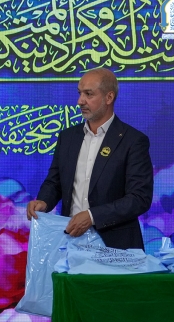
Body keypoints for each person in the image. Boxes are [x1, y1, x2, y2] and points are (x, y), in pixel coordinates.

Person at [26, 68, 153, 250]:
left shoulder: (132, 141)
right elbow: (54, 182)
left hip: (115, 246)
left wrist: (92, 216)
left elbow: (139, 198)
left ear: (109, 98)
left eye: (88, 94)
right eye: (79, 93)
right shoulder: (67, 137)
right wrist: (44, 201)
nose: (80, 101)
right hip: (71, 243)